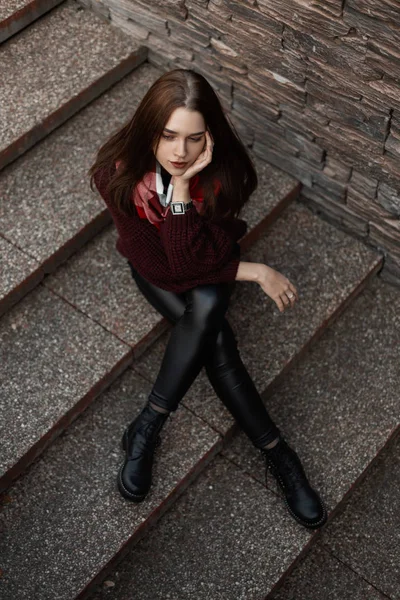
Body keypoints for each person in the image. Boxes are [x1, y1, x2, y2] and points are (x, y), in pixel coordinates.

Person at [89, 69, 327, 530]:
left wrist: (183, 195)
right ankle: (278, 453)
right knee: (214, 327)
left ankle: (148, 426)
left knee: (211, 318)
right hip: (155, 272)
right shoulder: (114, 175)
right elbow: (167, 269)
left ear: (210, 136)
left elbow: (202, 256)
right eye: (168, 136)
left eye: (194, 139)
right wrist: (253, 271)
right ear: (148, 130)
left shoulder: (225, 174)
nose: (181, 152)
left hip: (203, 263)